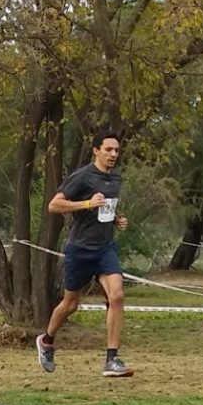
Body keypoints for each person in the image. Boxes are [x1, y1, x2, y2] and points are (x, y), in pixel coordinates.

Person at [36, 130, 132, 377]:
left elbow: (104, 212)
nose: (113, 154)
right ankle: (46, 340)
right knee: (70, 304)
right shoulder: (82, 177)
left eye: (117, 151)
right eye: (108, 150)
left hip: (105, 248)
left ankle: (112, 359)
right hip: (80, 249)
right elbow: (54, 205)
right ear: (96, 151)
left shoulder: (115, 180)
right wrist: (86, 203)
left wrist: (116, 220)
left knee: (117, 296)